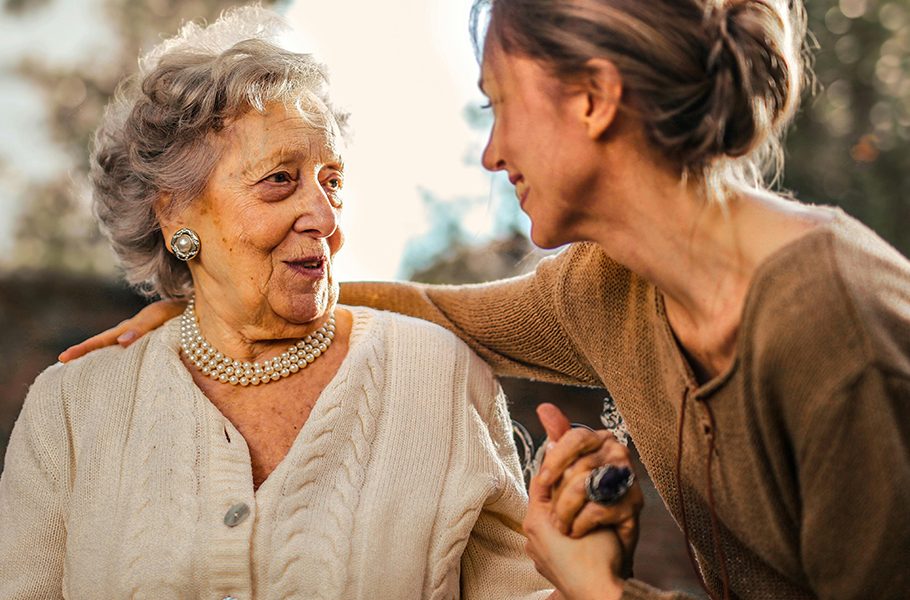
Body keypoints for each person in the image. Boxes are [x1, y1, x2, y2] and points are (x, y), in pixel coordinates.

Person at [60, 0, 910, 598]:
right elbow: (439, 310)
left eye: (500, 106)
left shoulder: (834, 327)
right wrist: (218, 297)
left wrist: (600, 597)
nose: (492, 153)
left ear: (592, 98)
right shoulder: (610, 288)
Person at [0, 7, 565, 599]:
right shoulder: (70, 410)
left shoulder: (439, 376)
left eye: (332, 180)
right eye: (279, 180)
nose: (324, 218)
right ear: (174, 213)